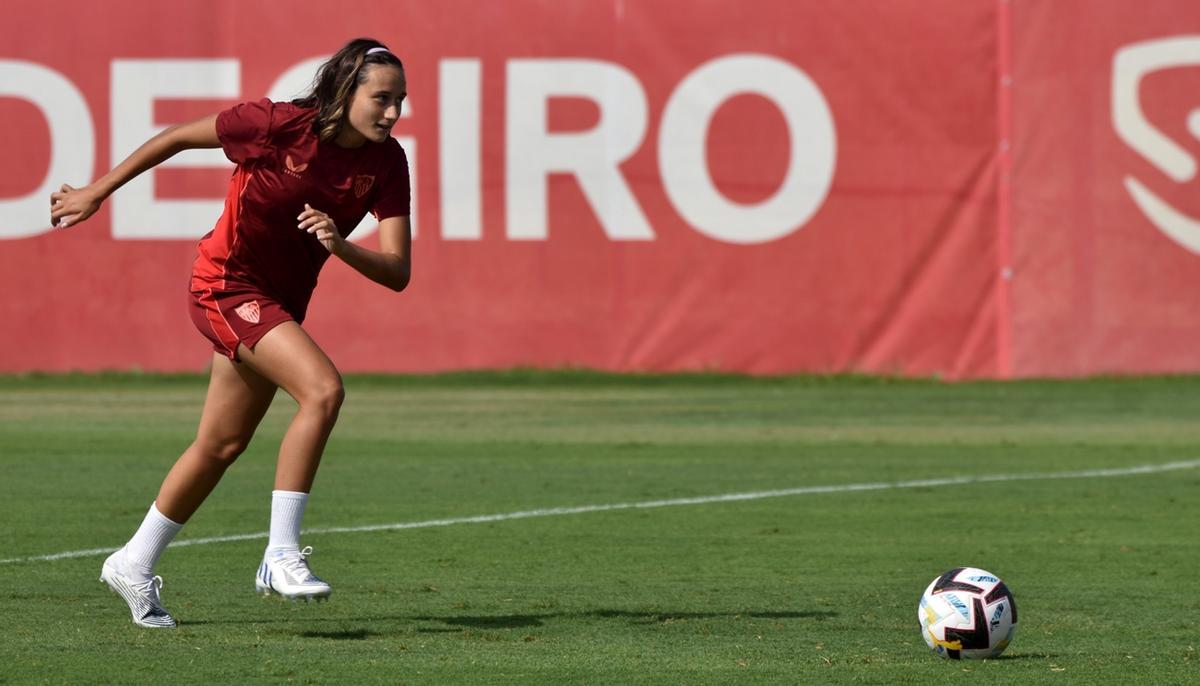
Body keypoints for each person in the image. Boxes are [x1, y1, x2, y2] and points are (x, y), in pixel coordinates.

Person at [49, 38, 411, 628]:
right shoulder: (273, 124)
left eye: (400, 100)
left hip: (279, 305)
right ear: (345, 91)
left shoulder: (387, 162)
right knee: (322, 391)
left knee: (221, 445)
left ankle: (132, 562)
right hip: (225, 285)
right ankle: (281, 555)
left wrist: (340, 244)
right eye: (381, 98)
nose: (392, 113)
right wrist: (96, 192)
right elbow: (172, 138)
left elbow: (397, 271)